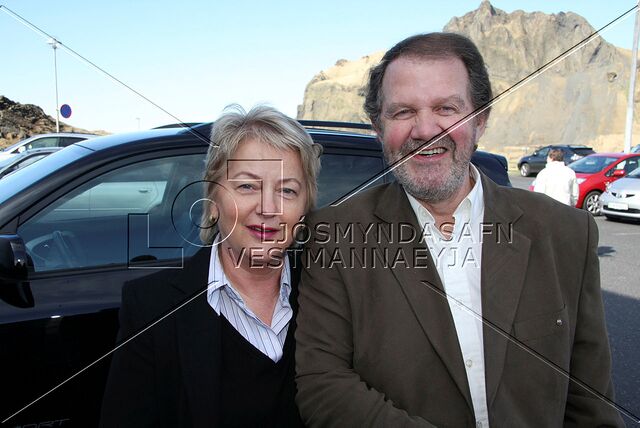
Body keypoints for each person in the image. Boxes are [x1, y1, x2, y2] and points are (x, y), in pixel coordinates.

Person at [295, 33, 623, 427]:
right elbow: (323, 386)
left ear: (480, 120)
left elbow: (590, 401)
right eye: (402, 112)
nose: (425, 130)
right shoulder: (333, 235)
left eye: (446, 108)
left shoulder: (565, 232)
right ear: (378, 127)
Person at [100, 105, 321, 427]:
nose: (268, 208)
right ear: (213, 200)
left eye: (287, 190)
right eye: (247, 186)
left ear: (304, 209)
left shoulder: (329, 294)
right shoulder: (151, 307)